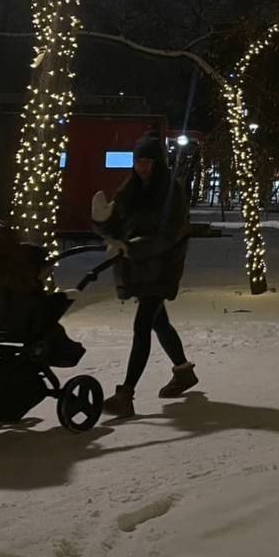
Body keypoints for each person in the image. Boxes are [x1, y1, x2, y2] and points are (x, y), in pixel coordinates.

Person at [91, 130, 197, 416]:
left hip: (162, 268)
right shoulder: (129, 188)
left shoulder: (172, 191)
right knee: (159, 322)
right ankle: (184, 372)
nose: (143, 167)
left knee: (142, 326)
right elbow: (116, 224)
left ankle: (125, 394)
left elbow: (168, 235)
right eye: (139, 161)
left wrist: (131, 247)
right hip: (139, 268)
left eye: (149, 162)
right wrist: (102, 221)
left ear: (158, 163)